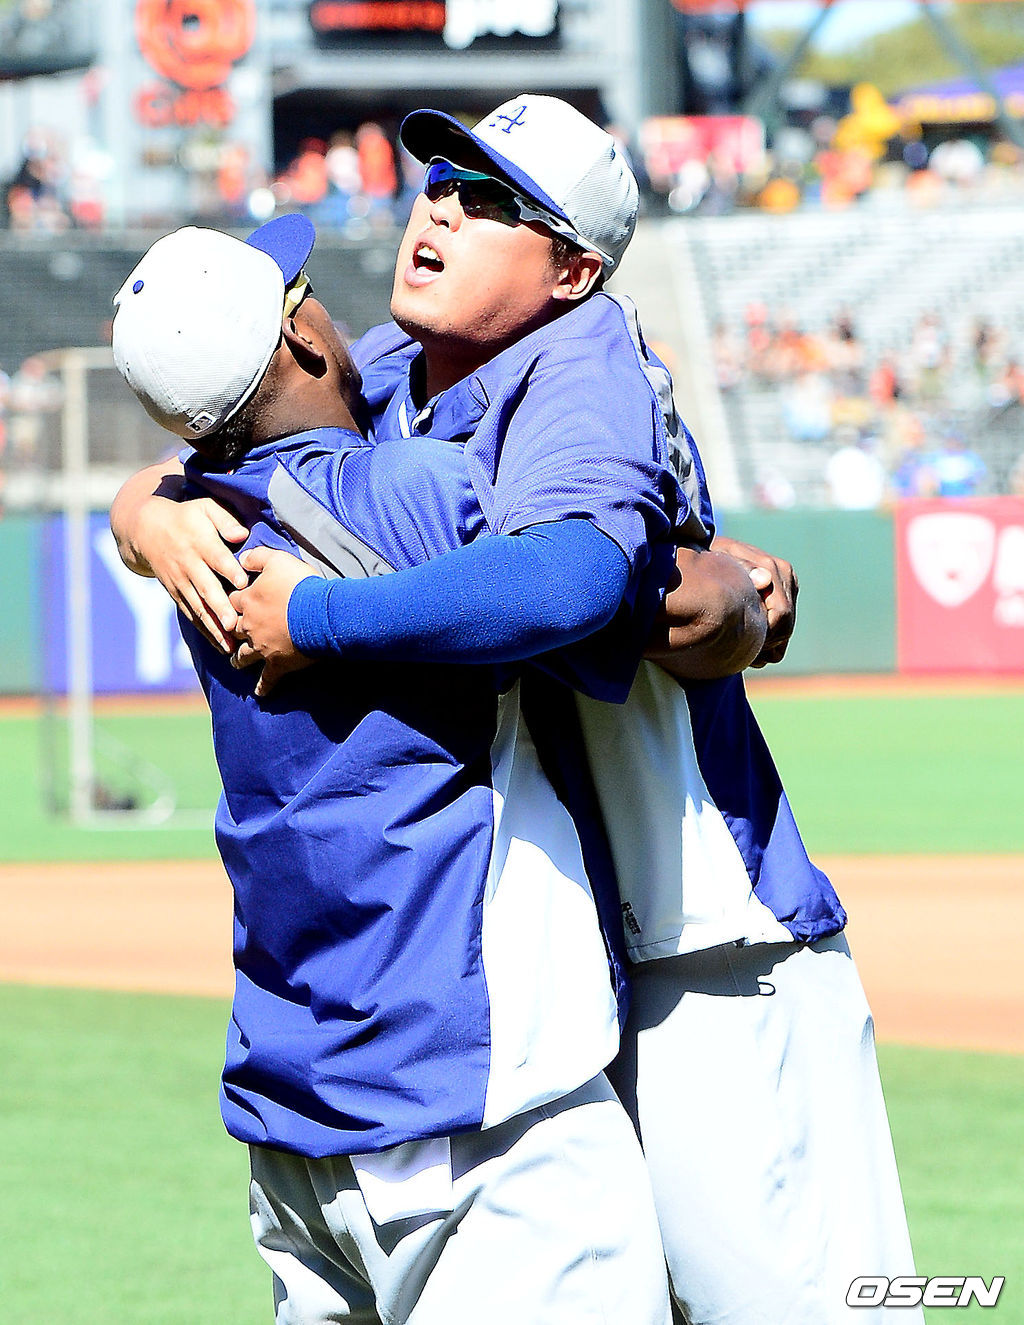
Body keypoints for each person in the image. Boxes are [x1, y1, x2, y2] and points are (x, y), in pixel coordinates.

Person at [113, 95, 918, 1323]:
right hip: (550, 969)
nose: (440, 206)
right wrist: (150, 508)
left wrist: (723, 599)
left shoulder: (584, 365)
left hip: (707, 941)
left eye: (492, 200)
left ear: (573, 270)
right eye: (441, 179)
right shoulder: (388, 369)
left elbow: (580, 583)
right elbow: (239, 418)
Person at [111, 206, 687, 1321]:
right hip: (470, 1120)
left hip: (297, 1129)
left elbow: (172, 486)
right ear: (303, 341)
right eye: (307, 293)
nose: (338, 307)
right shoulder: (420, 490)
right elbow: (573, 572)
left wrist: (142, 508)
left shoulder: (197, 522)